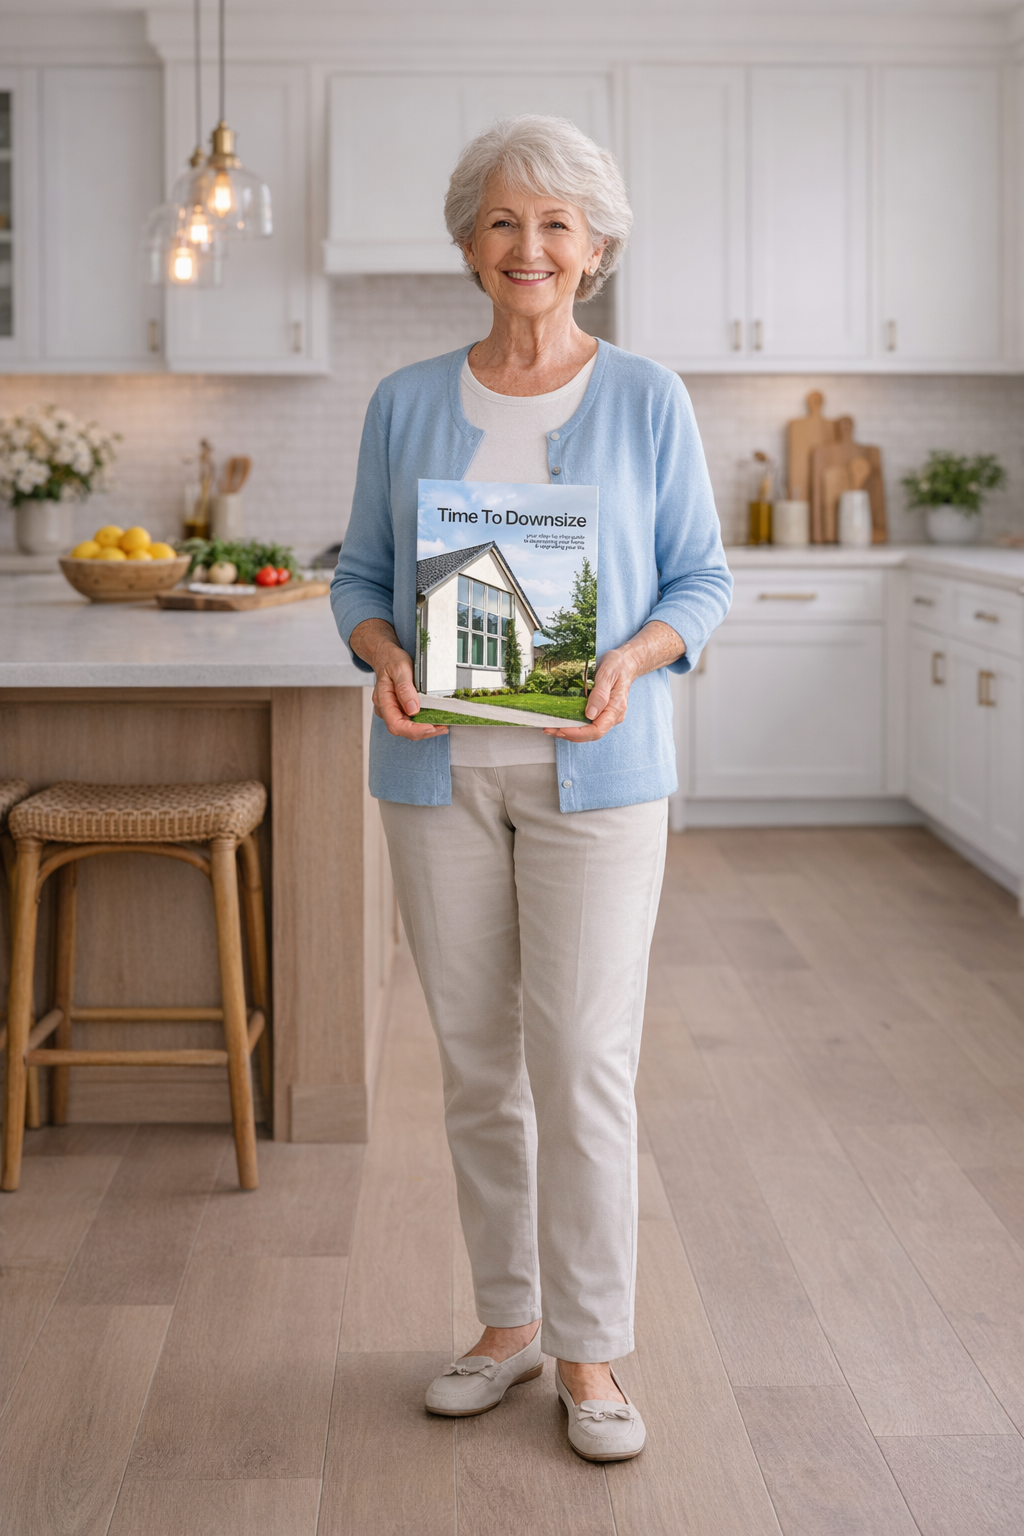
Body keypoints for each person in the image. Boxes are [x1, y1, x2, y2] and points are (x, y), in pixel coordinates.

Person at [332, 115, 732, 1462]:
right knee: (472, 1066)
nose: (531, 246)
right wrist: (381, 651)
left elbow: (702, 581)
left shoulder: (647, 398)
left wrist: (632, 655)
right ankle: (505, 1327)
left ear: (597, 248)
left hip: (599, 778)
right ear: (467, 243)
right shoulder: (403, 400)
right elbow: (360, 582)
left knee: (581, 1065)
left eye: (558, 223)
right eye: (505, 220)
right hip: (436, 775)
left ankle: (592, 1352)